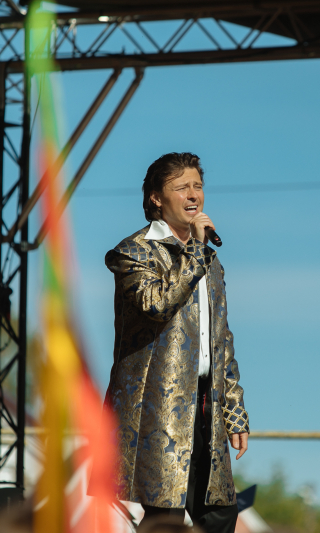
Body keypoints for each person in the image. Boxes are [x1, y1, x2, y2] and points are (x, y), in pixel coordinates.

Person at [103, 152, 250, 533]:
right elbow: (156, 304)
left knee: (219, 514)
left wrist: (234, 410)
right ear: (156, 197)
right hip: (158, 407)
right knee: (164, 517)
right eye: (181, 187)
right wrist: (196, 251)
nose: (193, 195)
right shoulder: (133, 252)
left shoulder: (210, 262)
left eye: (198, 186)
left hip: (205, 405)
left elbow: (222, 340)